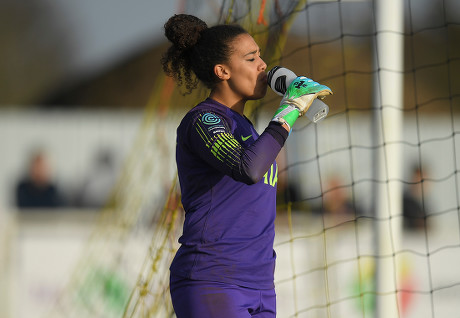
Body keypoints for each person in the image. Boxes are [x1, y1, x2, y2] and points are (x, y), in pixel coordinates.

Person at [161, 14, 332, 318]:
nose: (263, 65)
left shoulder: (248, 129)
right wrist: (290, 108)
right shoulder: (204, 120)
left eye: (260, 56)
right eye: (251, 58)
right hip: (213, 280)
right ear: (222, 70)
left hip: (261, 285)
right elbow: (249, 169)